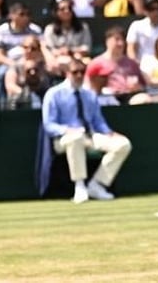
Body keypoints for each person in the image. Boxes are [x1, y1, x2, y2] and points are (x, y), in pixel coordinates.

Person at [42, 59, 133, 204]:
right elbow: (49, 125)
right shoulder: (53, 94)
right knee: (76, 137)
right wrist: (67, 130)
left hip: (90, 136)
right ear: (67, 73)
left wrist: (110, 133)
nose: (79, 75)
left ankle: (96, 185)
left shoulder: (90, 95)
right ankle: (80, 186)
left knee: (123, 144)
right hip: (63, 139)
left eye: (82, 72)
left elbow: (98, 121)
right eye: (75, 72)